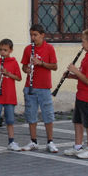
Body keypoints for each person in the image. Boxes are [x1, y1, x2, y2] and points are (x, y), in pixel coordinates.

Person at [63, 29, 88, 159]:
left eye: (83, 41)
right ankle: (78, 146)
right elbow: (83, 76)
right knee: (78, 121)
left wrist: (75, 70)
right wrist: (71, 76)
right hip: (81, 93)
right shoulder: (87, 56)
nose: (81, 44)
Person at [20, 24, 58, 153]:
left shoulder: (49, 48)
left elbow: (54, 66)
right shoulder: (28, 49)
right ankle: (33, 141)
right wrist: (27, 69)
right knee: (31, 115)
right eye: (31, 35)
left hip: (44, 87)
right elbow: (23, 67)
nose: (33, 37)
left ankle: (50, 141)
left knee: (48, 114)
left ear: (42, 35)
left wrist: (41, 63)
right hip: (30, 86)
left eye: (35, 35)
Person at [0, 39, 22, 152]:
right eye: (1, 50)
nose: (2, 52)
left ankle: (11, 142)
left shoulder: (14, 62)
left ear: (10, 50)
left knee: (10, 120)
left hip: (9, 97)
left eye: (5, 50)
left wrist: (8, 74)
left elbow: (19, 77)